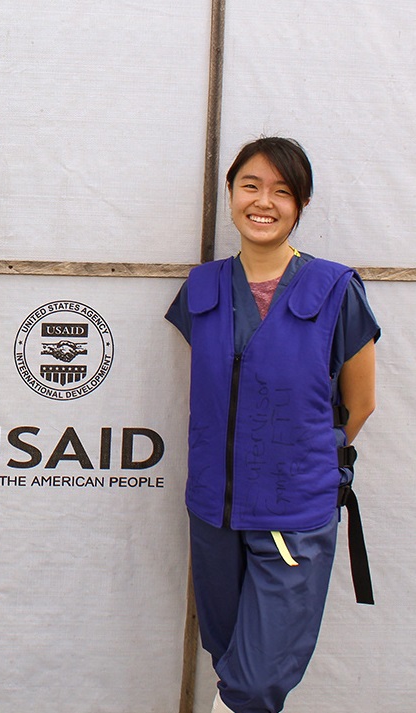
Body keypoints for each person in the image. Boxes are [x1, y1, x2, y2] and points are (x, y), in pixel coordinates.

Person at [166, 137, 378, 713]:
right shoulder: (203, 288)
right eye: (251, 186)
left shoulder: (335, 289)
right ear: (231, 194)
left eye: (282, 191)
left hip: (291, 514)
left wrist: (300, 464)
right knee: (227, 655)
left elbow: (360, 403)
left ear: (301, 205)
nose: (264, 202)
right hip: (213, 510)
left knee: (256, 681)